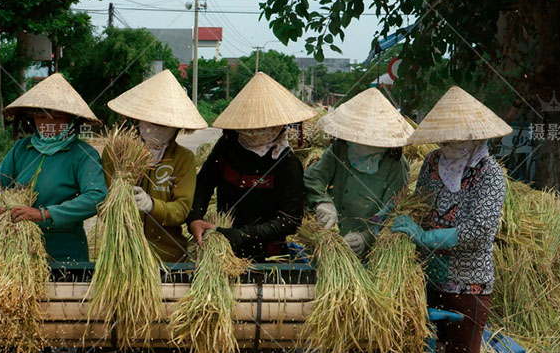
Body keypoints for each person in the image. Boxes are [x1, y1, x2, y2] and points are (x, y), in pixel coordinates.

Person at [391, 85, 510, 353]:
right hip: (431, 277)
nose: (450, 144)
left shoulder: (489, 174)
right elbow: (420, 201)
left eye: (457, 138)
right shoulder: (430, 164)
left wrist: (427, 236)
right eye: (445, 138)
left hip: (469, 283)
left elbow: (478, 230)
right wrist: (401, 220)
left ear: (474, 137)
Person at [0, 73, 106, 263]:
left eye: (57, 118)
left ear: (71, 120)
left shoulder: (82, 154)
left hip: (65, 252)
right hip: (19, 253)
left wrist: (43, 214)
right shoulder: (21, 149)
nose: (49, 124)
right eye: (41, 117)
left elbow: (96, 196)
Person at [187, 72, 315, 261]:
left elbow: (290, 220)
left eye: (263, 127)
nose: (254, 133)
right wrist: (195, 218)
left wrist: (242, 235)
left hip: (269, 253)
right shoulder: (228, 146)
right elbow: (204, 183)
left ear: (278, 125)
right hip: (223, 245)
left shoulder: (287, 163)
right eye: (249, 128)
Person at [104, 70, 207, 262]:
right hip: (120, 257)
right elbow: (102, 204)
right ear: (137, 120)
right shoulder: (116, 153)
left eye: (165, 124)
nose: (157, 128)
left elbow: (181, 210)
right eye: (151, 122)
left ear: (177, 127)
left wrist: (152, 205)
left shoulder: (183, 158)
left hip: (167, 257)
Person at [303, 88, 413, 256]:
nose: (360, 141)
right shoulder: (340, 149)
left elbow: (391, 210)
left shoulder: (396, 165)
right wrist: (323, 202)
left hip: (370, 251)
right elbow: (313, 177)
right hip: (332, 240)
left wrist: (366, 238)